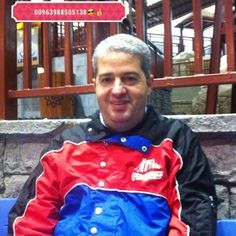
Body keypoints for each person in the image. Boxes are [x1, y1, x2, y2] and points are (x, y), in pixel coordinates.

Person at [9, 33, 217, 235]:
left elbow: (193, 223)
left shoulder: (176, 143)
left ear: (149, 84)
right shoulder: (64, 147)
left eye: (129, 78)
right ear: (95, 86)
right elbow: (28, 222)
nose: (117, 90)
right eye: (107, 79)